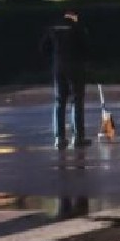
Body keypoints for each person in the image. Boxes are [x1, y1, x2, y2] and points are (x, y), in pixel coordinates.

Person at [40, 10, 90, 149]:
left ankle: (59, 138)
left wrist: (54, 59)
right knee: (77, 101)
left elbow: (43, 48)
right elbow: (86, 47)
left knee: (59, 102)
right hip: (75, 67)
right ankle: (78, 137)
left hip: (58, 66)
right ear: (74, 16)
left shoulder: (53, 28)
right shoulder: (77, 28)